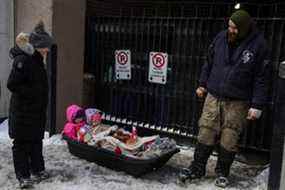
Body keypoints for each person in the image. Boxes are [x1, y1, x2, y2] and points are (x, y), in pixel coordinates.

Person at [179, 10, 270, 188]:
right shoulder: (221, 37)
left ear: (244, 28)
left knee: (230, 137)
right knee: (205, 131)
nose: (231, 30)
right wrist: (202, 84)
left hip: (238, 100)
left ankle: (222, 173)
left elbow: (262, 78)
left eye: (235, 28)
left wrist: (257, 104)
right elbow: (209, 62)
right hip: (213, 95)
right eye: (229, 26)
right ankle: (197, 168)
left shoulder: (259, 45)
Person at [7, 21, 53, 189]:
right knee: (21, 145)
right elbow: (12, 84)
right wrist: (32, 94)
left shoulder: (37, 60)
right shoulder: (23, 60)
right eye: (45, 47)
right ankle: (24, 176)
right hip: (23, 112)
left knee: (35, 141)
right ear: (38, 45)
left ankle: (38, 170)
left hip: (35, 112)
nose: (47, 50)